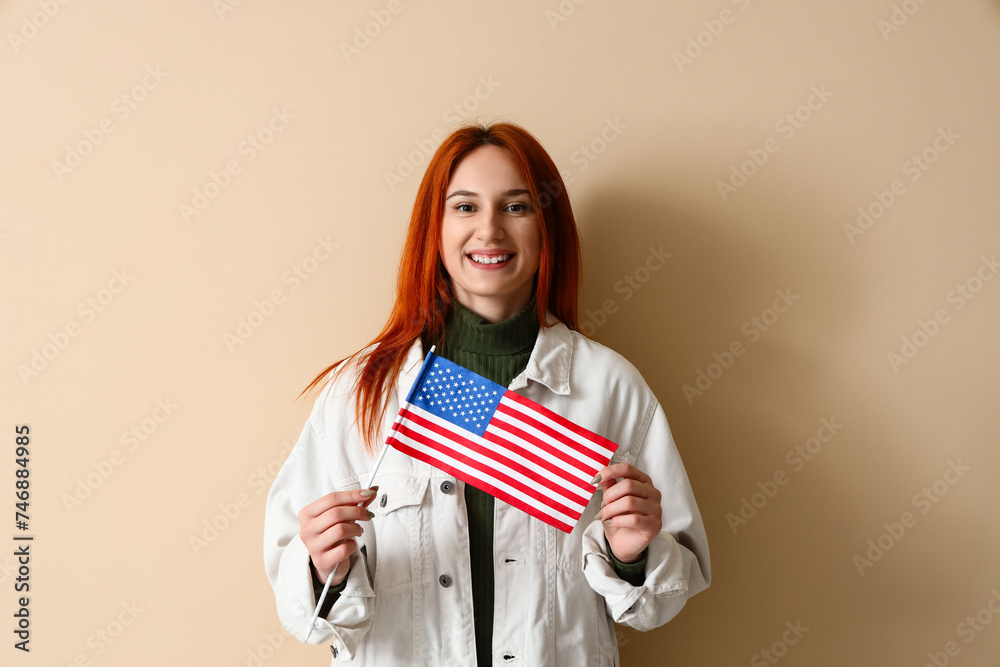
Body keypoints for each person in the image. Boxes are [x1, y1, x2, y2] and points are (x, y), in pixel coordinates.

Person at [263, 122, 711, 665]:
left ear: (547, 229)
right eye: (466, 207)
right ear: (436, 227)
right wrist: (317, 565)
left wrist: (634, 556)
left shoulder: (610, 388)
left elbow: (662, 601)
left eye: (517, 207)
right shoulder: (363, 394)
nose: (490, 230)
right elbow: (300, 610)